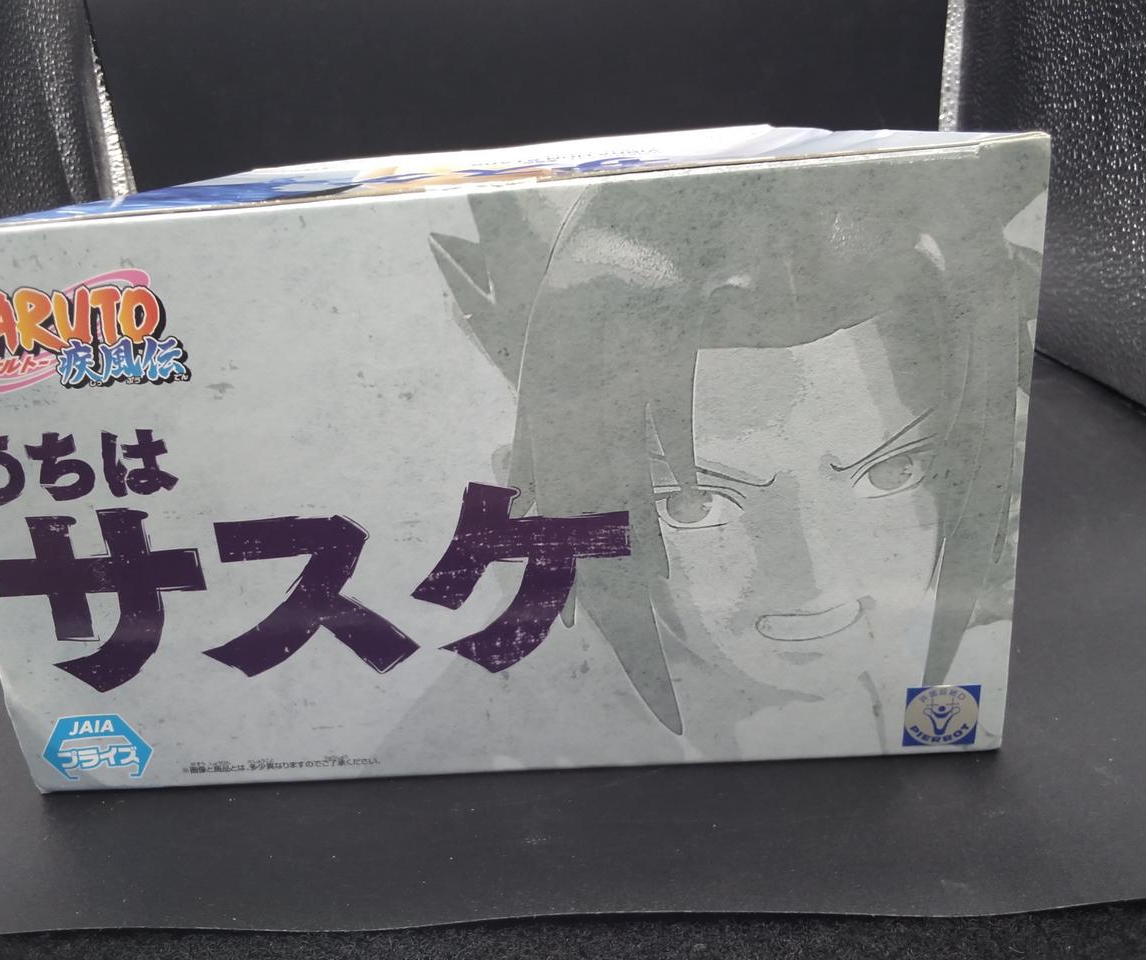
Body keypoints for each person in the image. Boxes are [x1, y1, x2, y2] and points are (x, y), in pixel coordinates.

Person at [393, 154, 1039, 763]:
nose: (815, 579)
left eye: (893, 470)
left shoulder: (984, 652)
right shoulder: (485, 747)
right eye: (694, 504)